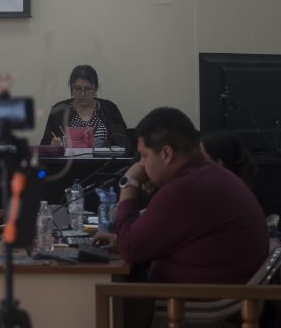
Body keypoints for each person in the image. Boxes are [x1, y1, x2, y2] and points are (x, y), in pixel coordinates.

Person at [95, 107, 267, 285]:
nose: (141, 165)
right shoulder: (204, 175)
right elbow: (139, 242)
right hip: (211, 300)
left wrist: (129, 185)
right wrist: (122, 241)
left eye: (145, 156)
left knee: (101, 290)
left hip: (198, 306)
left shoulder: (188, 188)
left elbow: (130, 249)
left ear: (167, 154)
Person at [40, 65, 129, 149]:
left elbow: (124, 142)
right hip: (69, 164)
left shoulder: (110, 109)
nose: (82, 94)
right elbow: (44, 145)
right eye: (77, 89)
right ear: (71, 88)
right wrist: (52, 145)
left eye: (88, 89)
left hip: (105, 164)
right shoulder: (59, 111)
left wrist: (104, 145)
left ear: (96, 89)